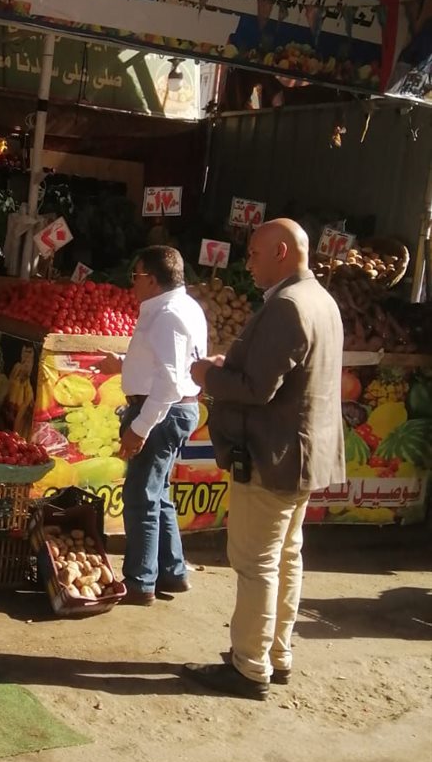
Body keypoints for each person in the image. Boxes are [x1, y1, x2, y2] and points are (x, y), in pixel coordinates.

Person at [185, 218, 345, 701]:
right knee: (286, 556)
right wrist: (228, 367)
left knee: (256, 562)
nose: (248, 263)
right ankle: (276, 654)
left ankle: (250, 666)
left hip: (273, 456)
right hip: (300, 457)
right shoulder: (321, 300)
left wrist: (206, 375)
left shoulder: (289, 305)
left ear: (281, 252)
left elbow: (258, 389)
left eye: (254, 253)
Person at [103, 246, 208, 606]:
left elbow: (170, 382)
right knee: (157, 492)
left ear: (150, 278)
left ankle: (140, 581)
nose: (132, 284)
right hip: (168, 409)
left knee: (141, 495)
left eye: (135, 276)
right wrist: (123, 365)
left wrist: (141, 427)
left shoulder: (168, 315)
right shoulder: (177, 308)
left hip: (163, 411)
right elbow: (163, 366)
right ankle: (171, 572)